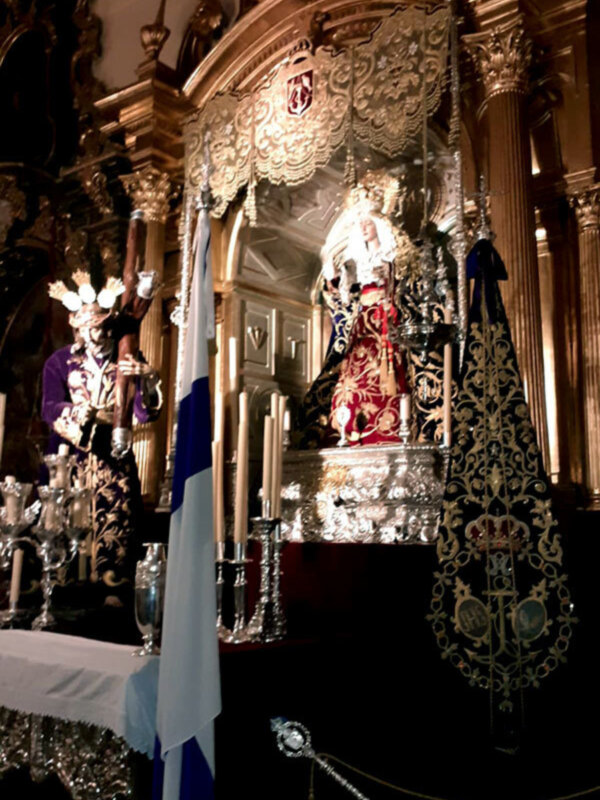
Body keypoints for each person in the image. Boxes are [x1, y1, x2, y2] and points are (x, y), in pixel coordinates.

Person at [42, 271, 161, 600]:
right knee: (68, 510)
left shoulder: (127, 358)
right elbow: (48, 406)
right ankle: (65, 577)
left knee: (117, 510)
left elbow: (143, 412)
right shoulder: (60, 361)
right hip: (73, 451)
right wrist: (75, 411)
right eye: (93, 327)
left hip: (113, 449)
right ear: (79, 328)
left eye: (106, 326)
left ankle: (114, 577)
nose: (101, 334)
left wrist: (149, 380)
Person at [323, 176, 411, 445]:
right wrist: (329, 266)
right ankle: (348, 427)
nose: (363, 227)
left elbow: (402, 285)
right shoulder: (356, 260)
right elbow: (340, 289)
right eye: (359, 224)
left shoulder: (391, 256)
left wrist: (388, 275)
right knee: (354, 369)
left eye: (367, 223)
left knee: (385, 366)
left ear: (378, 226)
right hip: (364, 318)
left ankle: (389, 424)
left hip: (384, 316)